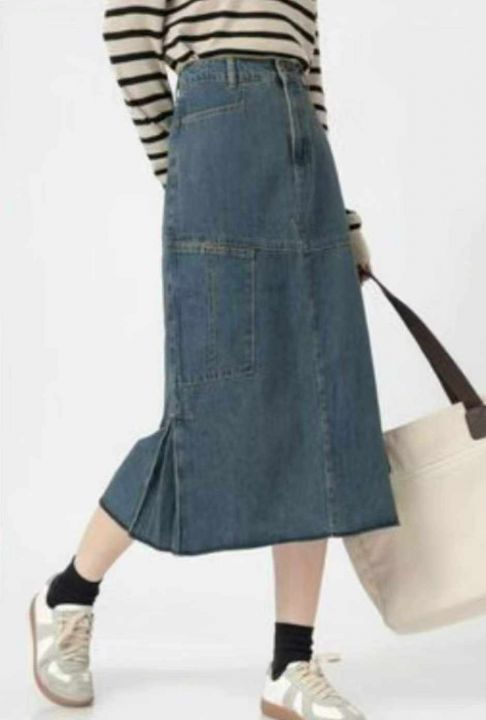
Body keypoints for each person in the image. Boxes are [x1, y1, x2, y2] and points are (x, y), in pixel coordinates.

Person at [29, 2, 400, 718]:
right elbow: (126, 31)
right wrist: (186, 168)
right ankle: (68, 594)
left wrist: (340, 213)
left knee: (319, 411)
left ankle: (290, 664)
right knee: (206, 411)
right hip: (215, 147)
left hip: (304, 165)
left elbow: (310, 80)